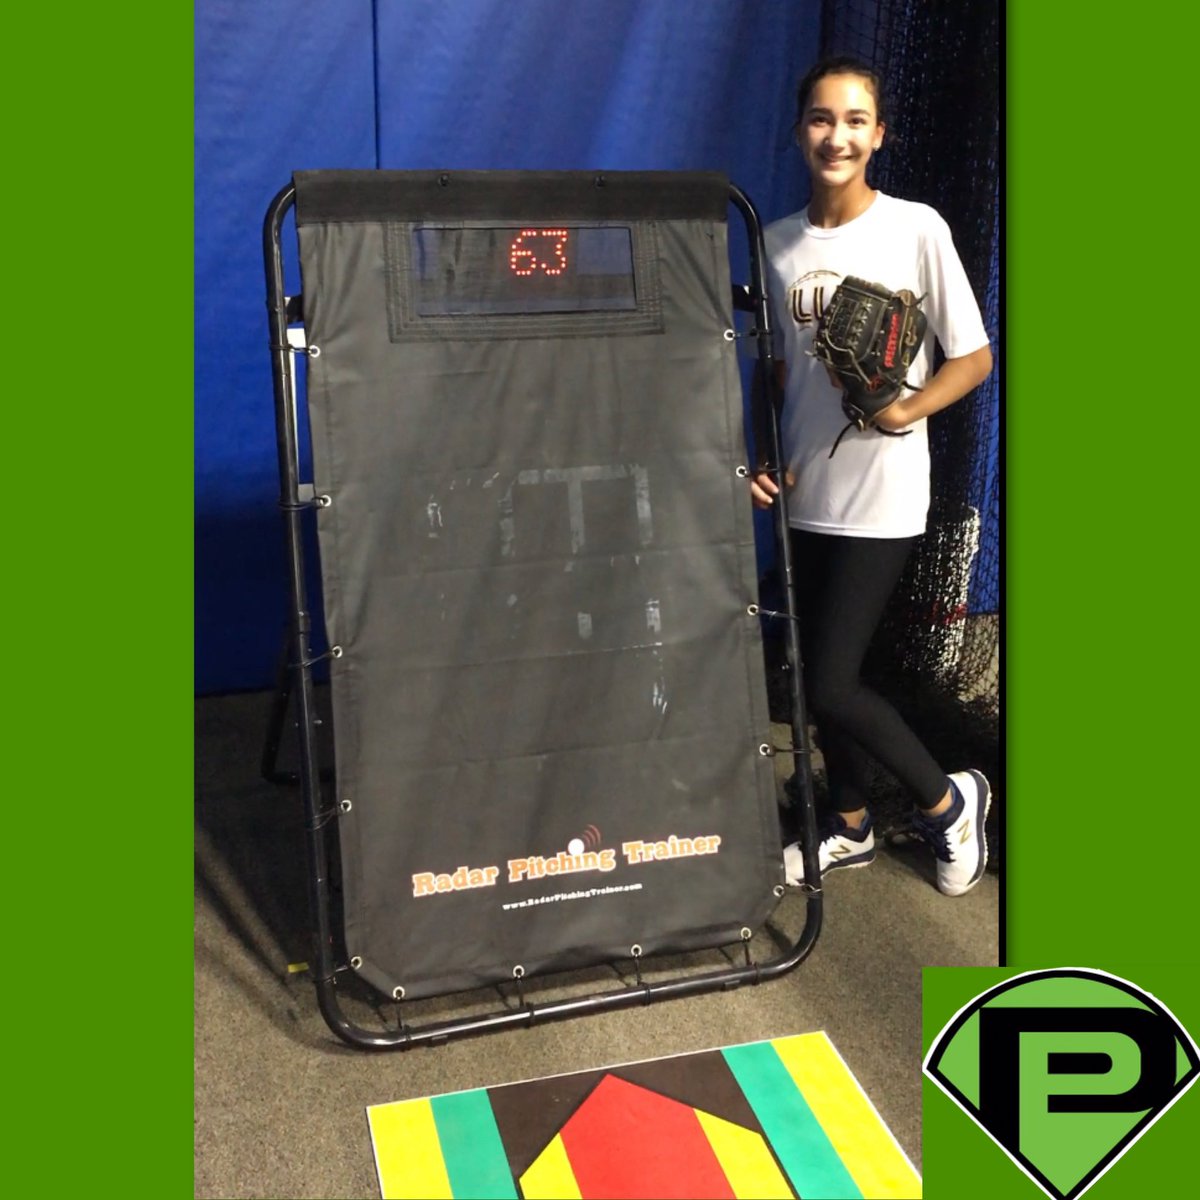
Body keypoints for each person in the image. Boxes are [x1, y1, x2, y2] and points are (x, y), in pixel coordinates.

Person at [752, 55, 994, 897]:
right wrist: (759, 457)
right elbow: (779, 378)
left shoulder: (916, 227)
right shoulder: (775, 244)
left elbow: (975, 357)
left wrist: (908, 409)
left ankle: (948, 804)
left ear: (879, 134)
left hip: (883, 491)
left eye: (856, 120)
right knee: (809, 678)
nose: (838, 135)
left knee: (830, 677)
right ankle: (848, 820)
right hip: (804, 493)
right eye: (822, 118)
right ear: (798, 131)